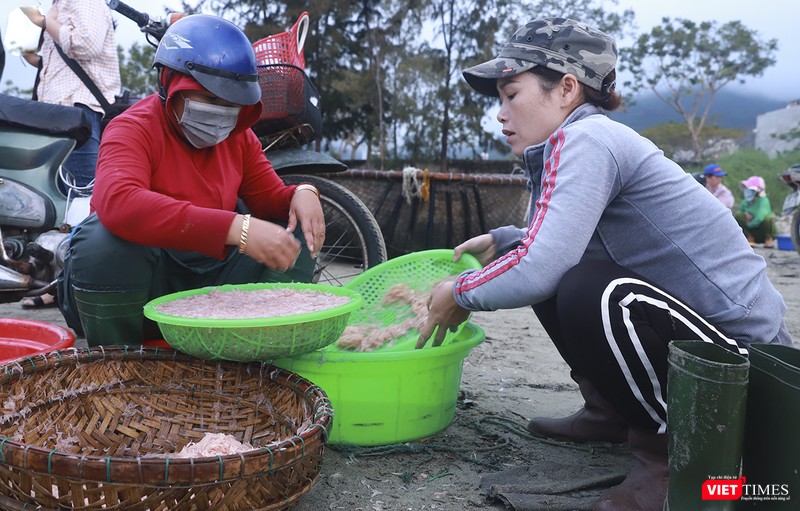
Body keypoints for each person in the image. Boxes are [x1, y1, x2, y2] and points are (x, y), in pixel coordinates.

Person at [418, 17, 792, 511]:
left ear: (566, 88)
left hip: (740, 367)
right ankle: (611, 411)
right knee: (549, 267)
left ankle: (670, 460)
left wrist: (460, 292)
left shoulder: (590, 140)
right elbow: (560, 242)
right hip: (699, 341)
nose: (501, 114)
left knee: (591, 290)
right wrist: (507, 240)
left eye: (511, 94)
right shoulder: (578, 140)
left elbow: (543, 265)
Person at [55, 14, 326, 347]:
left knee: (296, 226)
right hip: (145, 281)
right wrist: (237, 228)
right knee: (103, 239)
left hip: (209, 277)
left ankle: (265, 345)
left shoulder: (239, 137)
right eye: (210, 99)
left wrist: (302, 193)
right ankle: (119, 360)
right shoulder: (132, 127)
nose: (222, 112)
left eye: (232, 103)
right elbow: (120, 202)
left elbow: (268, 197)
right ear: (169, 82)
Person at [18, 0, 121, 309]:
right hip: (60, 114)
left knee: (87, 205)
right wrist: (31, 51)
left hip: (76, 111)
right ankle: (63, 286)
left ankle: (90, 288)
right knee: (67, 208)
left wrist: (43, 22)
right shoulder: (59, 5)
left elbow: (86, 44)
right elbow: (57, 63)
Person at [735, 176, 778, 248]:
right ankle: (749, 237)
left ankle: (768, 238)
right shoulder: (745, 202)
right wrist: (745, 215)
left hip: (763, 230)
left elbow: (760, 217)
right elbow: (739, 214)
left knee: (767, 219)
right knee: (739, 215)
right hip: (752, 232)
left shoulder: (764, 201)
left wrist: (749, 223)